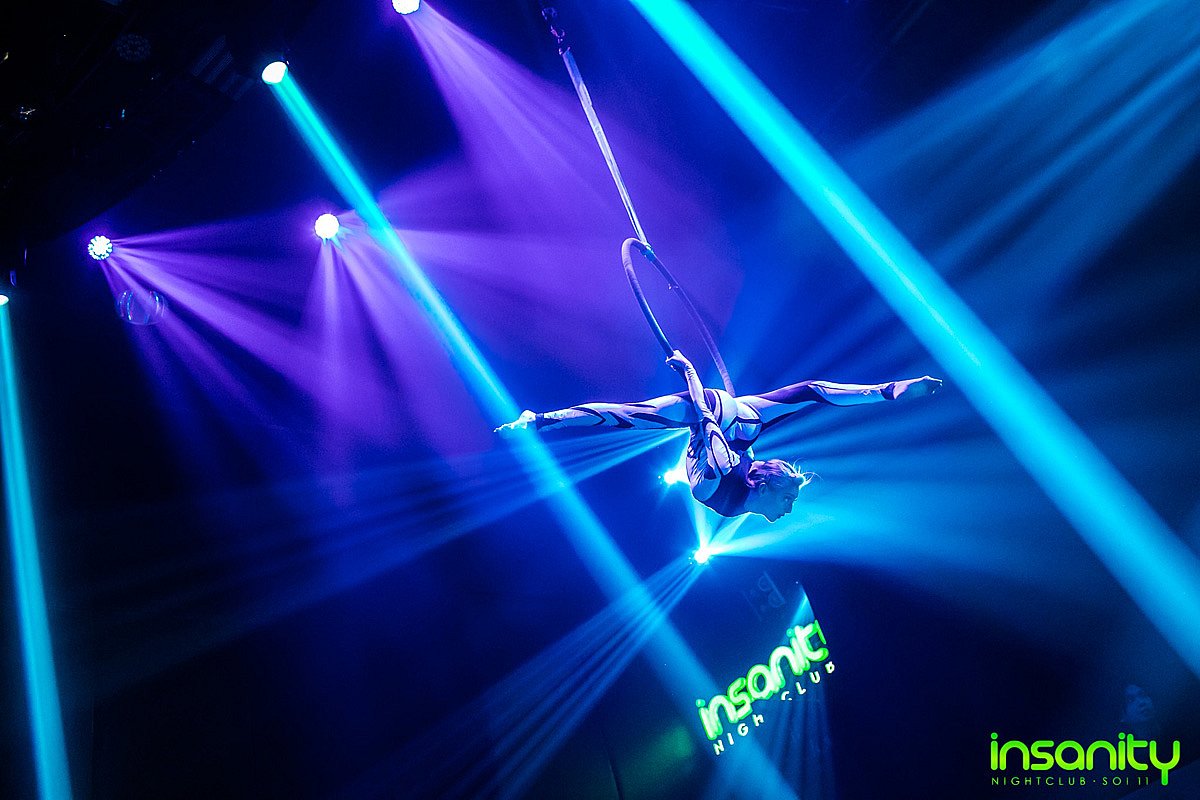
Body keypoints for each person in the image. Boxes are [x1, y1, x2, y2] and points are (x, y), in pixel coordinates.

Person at [497, 351, 941, 520]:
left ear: (763, 489)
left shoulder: (715, 492)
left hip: (710, 422)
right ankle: (539, 420)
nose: (789, 508)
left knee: (627, 417)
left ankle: (540, 421)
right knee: (809, 392)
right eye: (790, 498)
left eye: (788, 499)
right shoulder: (740, 462)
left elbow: (706, 420)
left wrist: (691, 373)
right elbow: (810, 392)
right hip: (732, 426)